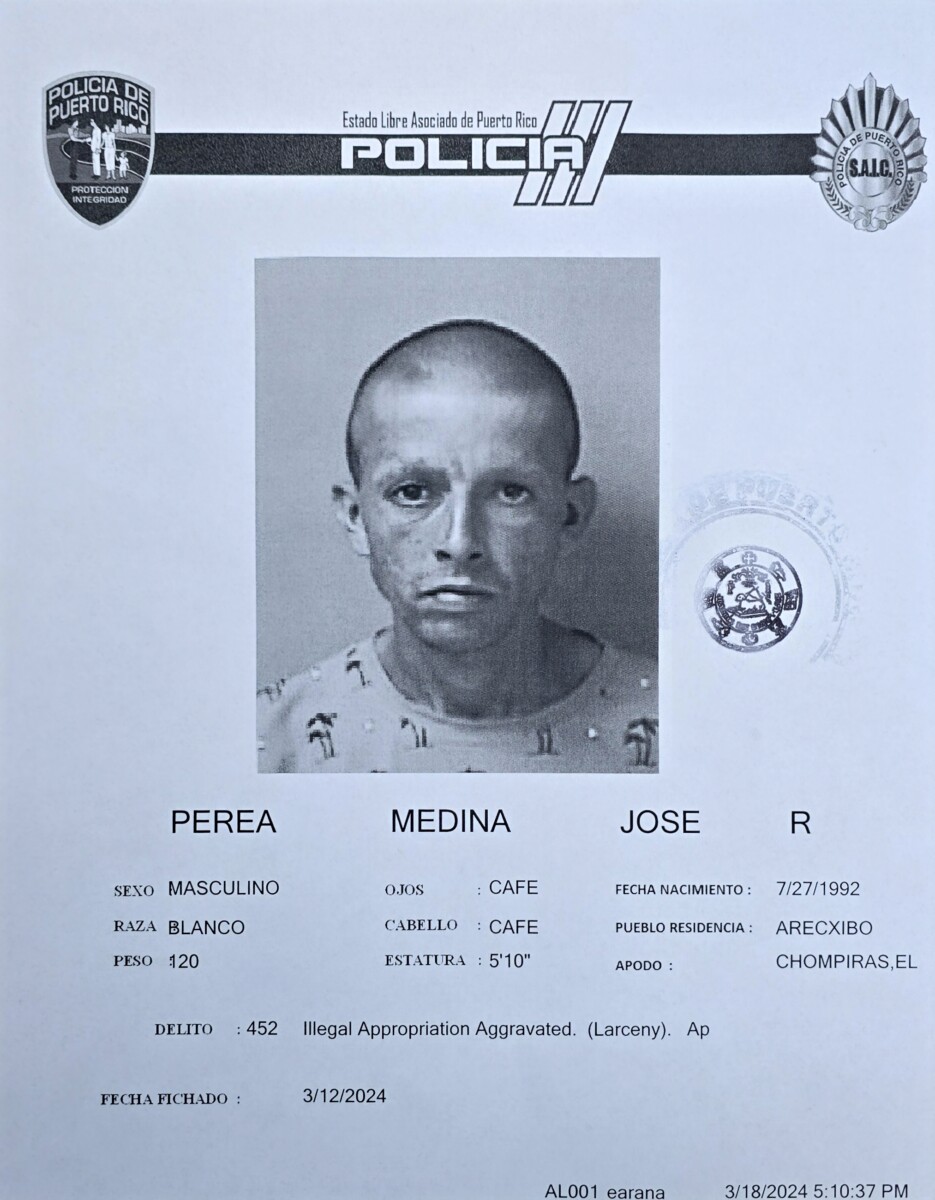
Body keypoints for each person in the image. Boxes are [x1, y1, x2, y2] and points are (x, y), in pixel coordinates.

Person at [258, 319, 657, 773]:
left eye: (510, 492)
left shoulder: (688, 728)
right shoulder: (269, 745)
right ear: (355, 517)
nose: (460, 542)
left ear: (569, 516)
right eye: (412, 492)